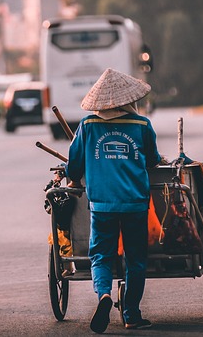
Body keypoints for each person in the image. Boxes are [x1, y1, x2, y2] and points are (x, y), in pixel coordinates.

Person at [66, 68, 161, 333]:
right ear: (129, 100)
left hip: (102, 205)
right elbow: (153, 159)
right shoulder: (142, 125)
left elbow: (73, 165)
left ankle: (104, 295)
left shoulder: (87, 125)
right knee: (136, 259)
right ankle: (131, 314)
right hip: (135, 203)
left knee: (100, 256)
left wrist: (72, 177)